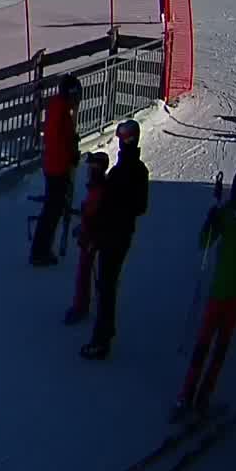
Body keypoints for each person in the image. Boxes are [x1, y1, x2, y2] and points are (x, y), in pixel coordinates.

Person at [82, 119, 150, 359]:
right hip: (121, 232)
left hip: (113, 233)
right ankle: (105, 331)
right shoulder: (135, 169)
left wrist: (113, 203)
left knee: (106, 285)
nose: (121, 141)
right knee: (108, 283)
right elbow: (140, 206)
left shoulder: (125, 171)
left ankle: (101, 340)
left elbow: (116, 204)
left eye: (124, 137)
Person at [177, 181, 236, 416]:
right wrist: (210, 223)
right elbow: (204, 242)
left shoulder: (227, 215)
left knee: (217, 348)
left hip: (232, 294)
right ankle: (188, 394)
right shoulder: (225, 216)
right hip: (221, 293)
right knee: (206, 347)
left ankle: (200, 394)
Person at [31, 75, 82, 266]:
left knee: (54, 208)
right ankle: (40, 251)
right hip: (57, 166)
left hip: (55, 164)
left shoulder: (59, 108)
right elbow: (59, 140)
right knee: (53, 210)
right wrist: (70, 154)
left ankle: (42, 248)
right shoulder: (60, 112)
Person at [64, 152, 112, 324]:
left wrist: (87, 230)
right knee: (86, 270)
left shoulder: (99, 188)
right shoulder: (97, 186)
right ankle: (85, 304)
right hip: (93, 232)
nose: (89, 170)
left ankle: (82, 306)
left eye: (92, 167)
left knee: (85, 270)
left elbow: (95, 214)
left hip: (93, 235)